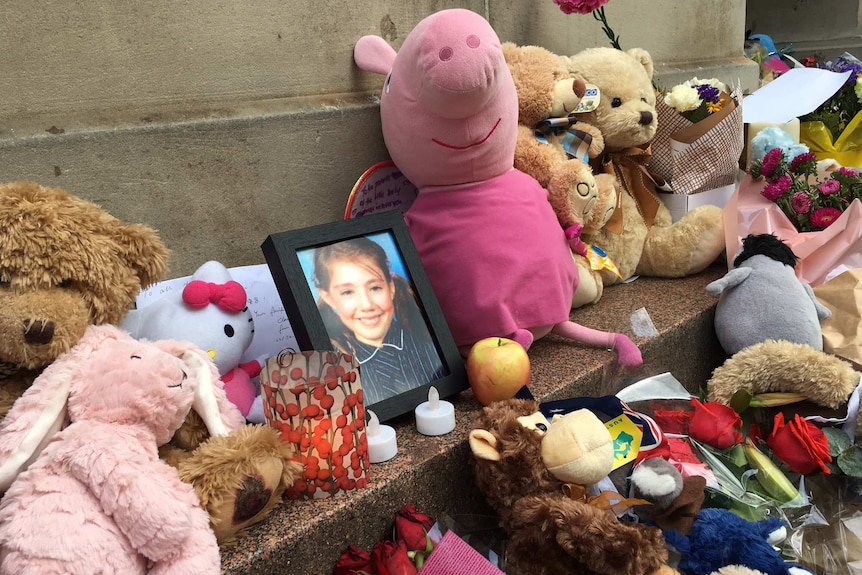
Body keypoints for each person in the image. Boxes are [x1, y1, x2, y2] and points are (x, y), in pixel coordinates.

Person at [312, 237, 445, 405]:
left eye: (375, 288)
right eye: (347, 292)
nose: (367, 305)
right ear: (328, 297)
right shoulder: (336, 373)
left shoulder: (430, 347)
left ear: (391, 288)